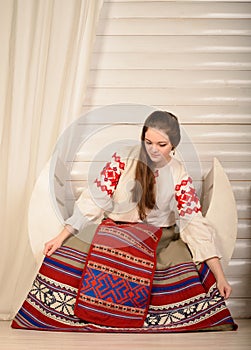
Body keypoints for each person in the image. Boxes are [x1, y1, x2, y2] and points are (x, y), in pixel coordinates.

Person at [11, 110, 237, 332]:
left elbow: (193, 220)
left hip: (159, 237)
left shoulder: (178, 173)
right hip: (115, 231)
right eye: (148, 142)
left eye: (162, 145)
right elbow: (95, 200)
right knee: (63, 255)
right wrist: (60, 237)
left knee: (186, 272)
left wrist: (220, 276)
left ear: (174, 145)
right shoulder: (122, 158)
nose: (153, 150)